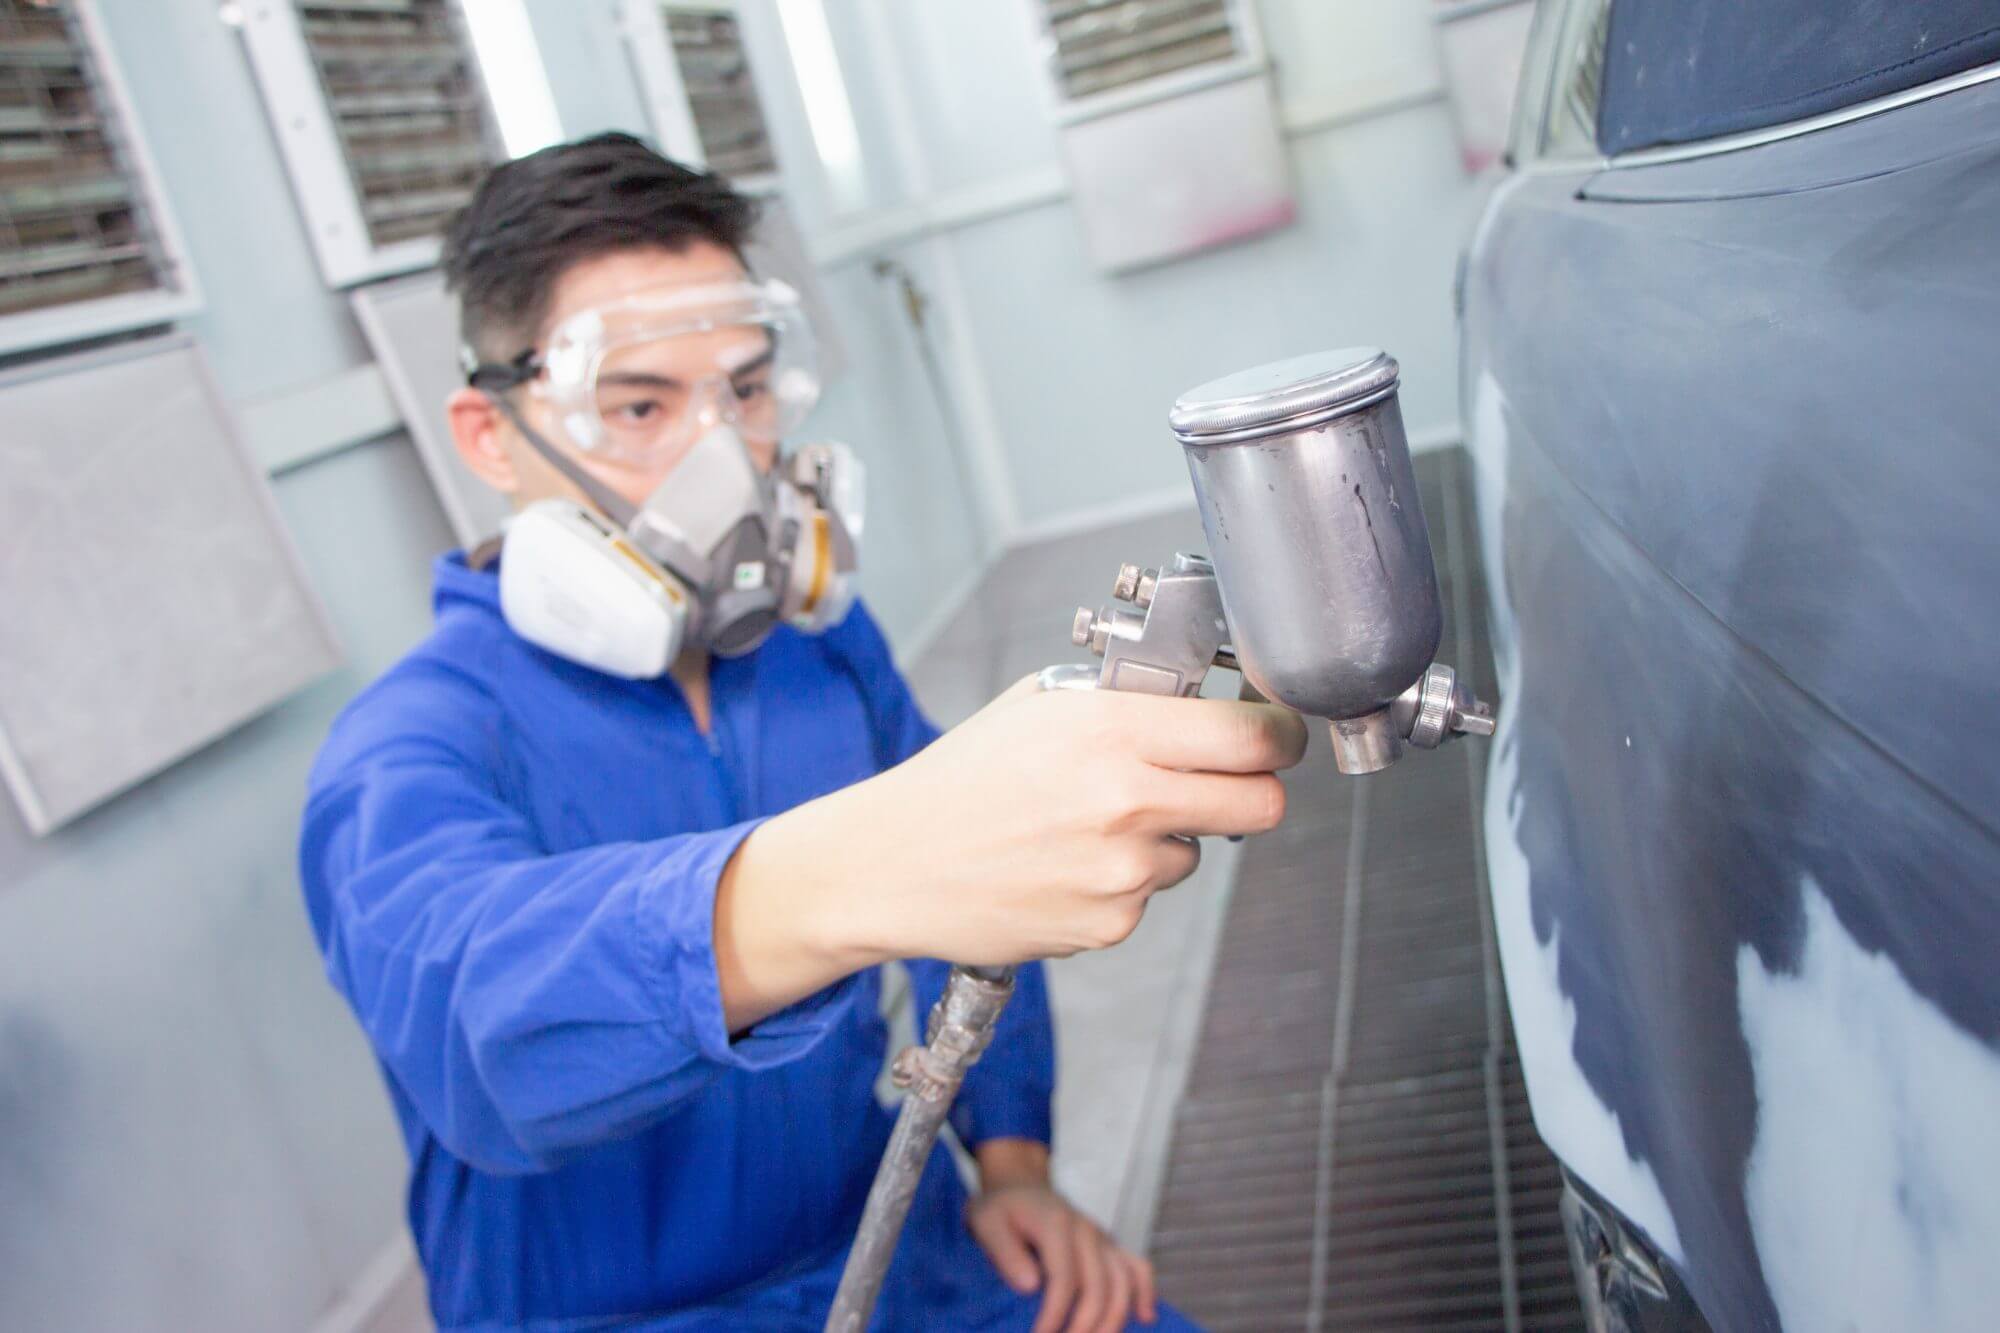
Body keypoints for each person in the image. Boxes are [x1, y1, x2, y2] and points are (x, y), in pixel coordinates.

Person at [299, 133, 1305, 1333]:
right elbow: (475, 1034)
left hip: (894, 1247)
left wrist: (1015, 1158)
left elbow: (967, 924)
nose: (724, 455)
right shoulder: (408, 747)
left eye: (746, 386)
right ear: (488, 434)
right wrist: (858, 870)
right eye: (638, 403)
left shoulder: (814, 647)